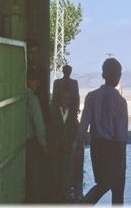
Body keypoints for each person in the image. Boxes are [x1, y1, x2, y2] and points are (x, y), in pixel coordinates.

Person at [75, 58, 128, 205]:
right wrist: (122, 160)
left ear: (103, 75)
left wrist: (80, 148)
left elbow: (83, 125)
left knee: (102, 183)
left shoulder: (91, 97)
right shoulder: (120, 102)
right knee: (117, 191)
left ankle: (84, 203)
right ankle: (83, 204)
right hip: (114, 148)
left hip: (96, 147)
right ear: (119, 75)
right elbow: (121, 136)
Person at [25, 38, 52, 202]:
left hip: (39, 121)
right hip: (25, 127)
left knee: (39, 167)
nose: (34, 57)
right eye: (31, 53)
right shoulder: (18, 68)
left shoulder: (41, 71)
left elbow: (43, 99)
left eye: (36, 53)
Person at [50, 90, 79, 202]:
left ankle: (64, 193)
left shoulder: (72, 112)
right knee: (55, 169)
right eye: (63, 98)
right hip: (56, 146)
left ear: (70, 101)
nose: (65, 101)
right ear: (59, 100)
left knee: (65, 170)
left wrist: (71, 139)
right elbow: (50, 127)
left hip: (66, 147)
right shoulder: (53, 112)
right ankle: (55, 194)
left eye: (67, 99)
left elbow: (77, 128)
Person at [25, 68, 48, 203]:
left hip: (19, 143)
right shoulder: (33, 99)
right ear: (30, 81)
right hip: (31, 142)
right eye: (36, 82)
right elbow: (38, 123)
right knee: (34, 178)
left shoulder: (19, 96)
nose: (38, 85)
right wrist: (43, 144)